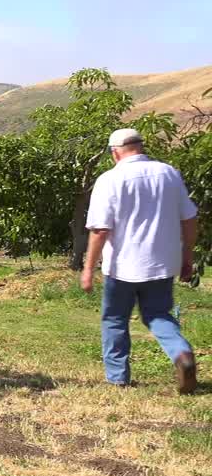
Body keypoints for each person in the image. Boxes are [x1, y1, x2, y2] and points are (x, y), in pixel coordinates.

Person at [80, 128, 200, 393]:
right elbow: (189, 219)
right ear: (140, 147)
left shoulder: (109, 180)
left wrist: (88, 269)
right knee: (158, 314)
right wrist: (187, 256)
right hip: (162, 263)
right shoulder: (169, 173)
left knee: (114, 319)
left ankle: (118, 378)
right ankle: (181, 353)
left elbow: (100, 230)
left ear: (115, 153)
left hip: (122, 266)